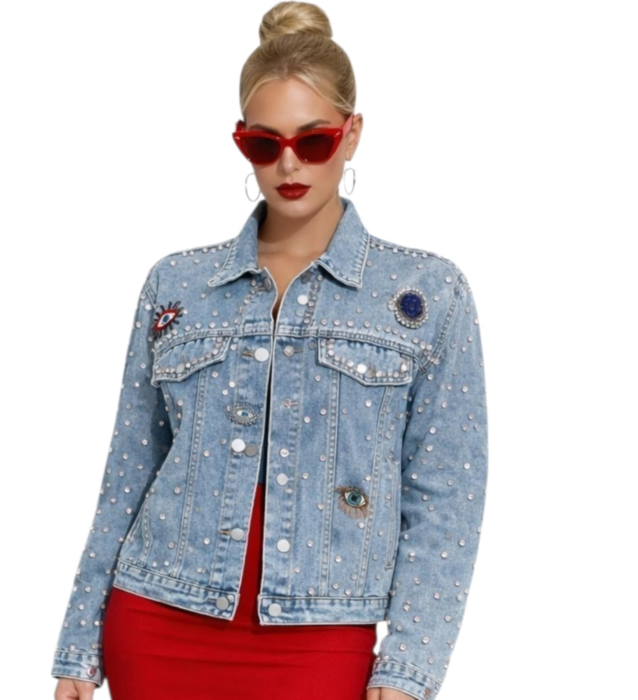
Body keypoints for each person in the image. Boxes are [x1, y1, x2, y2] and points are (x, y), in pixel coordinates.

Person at [51, 3, 489, 699]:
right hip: (155, 618)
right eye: (263, 143)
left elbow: (446, 498)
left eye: (314, 141)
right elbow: (129, 469)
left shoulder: (427, 293)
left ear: (352, 134)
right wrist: (79, 640)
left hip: (321, 634)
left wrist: (410, 664)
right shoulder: (178, 284)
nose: (288, 163)